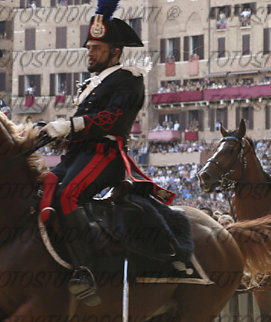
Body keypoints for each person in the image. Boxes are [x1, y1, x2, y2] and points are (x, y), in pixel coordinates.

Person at [41, 1, 173, 306]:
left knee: (68, 195)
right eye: (89, 47)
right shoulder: (92, 83)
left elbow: (113, 118)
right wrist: (49, 130)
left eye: (96, 48)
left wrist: (70, 126)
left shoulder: (130, 79)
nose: (89, 52)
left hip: (105, 155)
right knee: (44, 184)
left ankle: (86, 271)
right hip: (78, 155)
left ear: (114, 51)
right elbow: (77, 128)